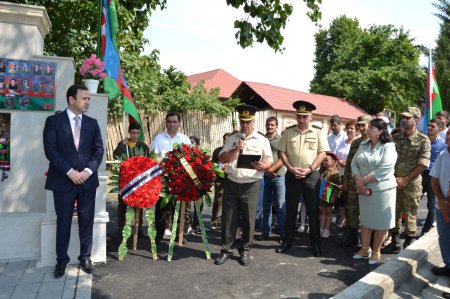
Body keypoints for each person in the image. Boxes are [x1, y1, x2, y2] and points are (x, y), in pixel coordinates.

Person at [43, 84, 104, 278]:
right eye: (84, 98)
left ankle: (85, 257)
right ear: (71, 99)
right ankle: (62, 261)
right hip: (63, 181)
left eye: (88, 98)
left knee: (87, 220)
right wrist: (70, 172)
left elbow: (98, 150)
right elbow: (51, 151)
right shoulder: (54, 122)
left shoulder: (92, 123)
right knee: (63, 221)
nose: (88, 101)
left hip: (87, 181)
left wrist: (86, 171)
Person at [214, 105, 273, 266]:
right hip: (232, 183)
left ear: (253, 121)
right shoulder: (233, 138)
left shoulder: (262, 139)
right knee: (228, 218)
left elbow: (269, 161)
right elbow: (223, 159)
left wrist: (263, 166)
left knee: (248, 219)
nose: (244, 124)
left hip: (251, 184)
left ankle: (245, 251)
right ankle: (226, 250)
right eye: (242, 121)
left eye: (248, 121)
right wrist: (236, 149)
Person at [276, 100, 329, 257]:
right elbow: (282, 153)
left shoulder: (319, 132)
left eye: (305, 117)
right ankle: (287, 241)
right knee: (291, 210)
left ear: (311, 116)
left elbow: (322, 153)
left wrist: (309, 169)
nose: (301, 119)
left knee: (313, 211)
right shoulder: (288, 132)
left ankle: (316, 244)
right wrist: (291, 169)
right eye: (299, 116)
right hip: (292, 175)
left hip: (311, 175)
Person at [382, 107, 431, 253]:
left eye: (407, 118)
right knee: (393, 212)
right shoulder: (395, 138)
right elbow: (387, 159)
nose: (404, 119)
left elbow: (423, 164)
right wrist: (394, 178)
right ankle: (395, 242)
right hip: (394, 181)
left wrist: (406, 179)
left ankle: (408, 243)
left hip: (412, 183)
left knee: (410, 213)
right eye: (403, 117)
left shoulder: (423, 140)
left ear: (416, 120)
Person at [351, 118, 397, 264]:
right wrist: (359, 181)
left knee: (380, 222)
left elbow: (384, 168)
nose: (368, 129)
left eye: (372, 127)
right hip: (363, 189)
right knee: (365, 220)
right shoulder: (363, 144)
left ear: (380, 131)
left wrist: (362, 181)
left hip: (382, 190)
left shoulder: (388, 146)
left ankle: (376, 251)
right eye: (369, 126)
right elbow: (354, 163)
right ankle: (364, 248)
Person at [150, 112, 191, 242]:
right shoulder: (158, 139)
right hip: (162, 180)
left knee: (179, 208)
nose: (172, 124)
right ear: (166, 123)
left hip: (180, 180)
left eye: (174, 122)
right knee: (161, 208)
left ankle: (179, 234)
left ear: (179, 123)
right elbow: (153, 158)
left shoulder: (185, 139)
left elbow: (190, 159)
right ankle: (159, 234)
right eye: (169, 122)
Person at [112, 122, 149, 238]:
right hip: (124, 179)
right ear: (129, 132)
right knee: (122, 205)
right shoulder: (123, 145)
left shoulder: (143, 147)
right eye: (133, 132)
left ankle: (139, 229)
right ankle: (121, 228)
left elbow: (147, 162)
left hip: (138, 180)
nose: (135, 135)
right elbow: (115, 155)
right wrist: (122, 145)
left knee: (139, 204)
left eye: (137, 133)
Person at [341, 115, 373, 248]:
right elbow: (349, 164)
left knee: (369, 211)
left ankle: (368, 241)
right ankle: (353, 237)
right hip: (354, 181)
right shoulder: (355, 143)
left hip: (370, 182)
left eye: (363, 125)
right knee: (352, 209)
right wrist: (347, 181)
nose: (360, 128)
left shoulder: (377, 142)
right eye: (359, 125)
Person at [258, 116, 287, 241]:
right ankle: (266, 231)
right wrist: (266, 170)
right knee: (266, 205)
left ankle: (282, 233)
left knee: (280, 206)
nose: (269, 127)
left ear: (276, 126)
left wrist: (271, 169)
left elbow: (283, 158)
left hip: (278, 176)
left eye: (272, 125)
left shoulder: (281, 139)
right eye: (268, 124)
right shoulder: (261, 139)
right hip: (265, 176)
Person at [429, 129, 450, 299]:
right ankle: (449, 266)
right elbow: (434, 179)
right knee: (444, 238)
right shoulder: (444, 154)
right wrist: (442, 202)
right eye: (449, 134)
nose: (449, 137)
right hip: (442, 205)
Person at [420, 119, 447, 236]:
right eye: (429, 126)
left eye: (433, 126)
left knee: (431, 205)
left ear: (440, 129)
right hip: (419, 174)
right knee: (412, 203)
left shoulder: (443, 145)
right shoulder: (422, 141)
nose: (429, 128)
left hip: (432, 177)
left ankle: (425, 230)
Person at [335, 120, 357, 228]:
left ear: (356, 131)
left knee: (350, 199)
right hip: (341, 173)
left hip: (352, 176)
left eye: (352, 128)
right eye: (348, 128)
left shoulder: (358, 143)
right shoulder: (342, 143)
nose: (350, 130)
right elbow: (336, 156)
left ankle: (351, 221)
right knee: (341, 199)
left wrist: (347, 163)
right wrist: (338, 161)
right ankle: (342, 219)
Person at [210, 132, 231, 230]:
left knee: (229, 201)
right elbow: (212, 163)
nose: (226, 141)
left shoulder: (233, 151)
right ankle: (213, 220)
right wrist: (217, 165)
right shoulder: (217, 150)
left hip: (231, 178)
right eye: (225, 139)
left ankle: (225, 221)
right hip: (219, 178)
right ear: (223, 140)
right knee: (218, 199)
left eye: (228, 140)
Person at [319, 152, 341, 238]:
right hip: (322, 193)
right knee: (322, 211)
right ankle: (321, 228)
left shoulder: (335, 173)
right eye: (323, 160)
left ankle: (327, 229)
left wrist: (333, 196)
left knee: (329, 211)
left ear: (332, 162)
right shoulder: (322, 171)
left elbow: (337, 187)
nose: (324, 162)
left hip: (330, 194)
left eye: (326, 160)